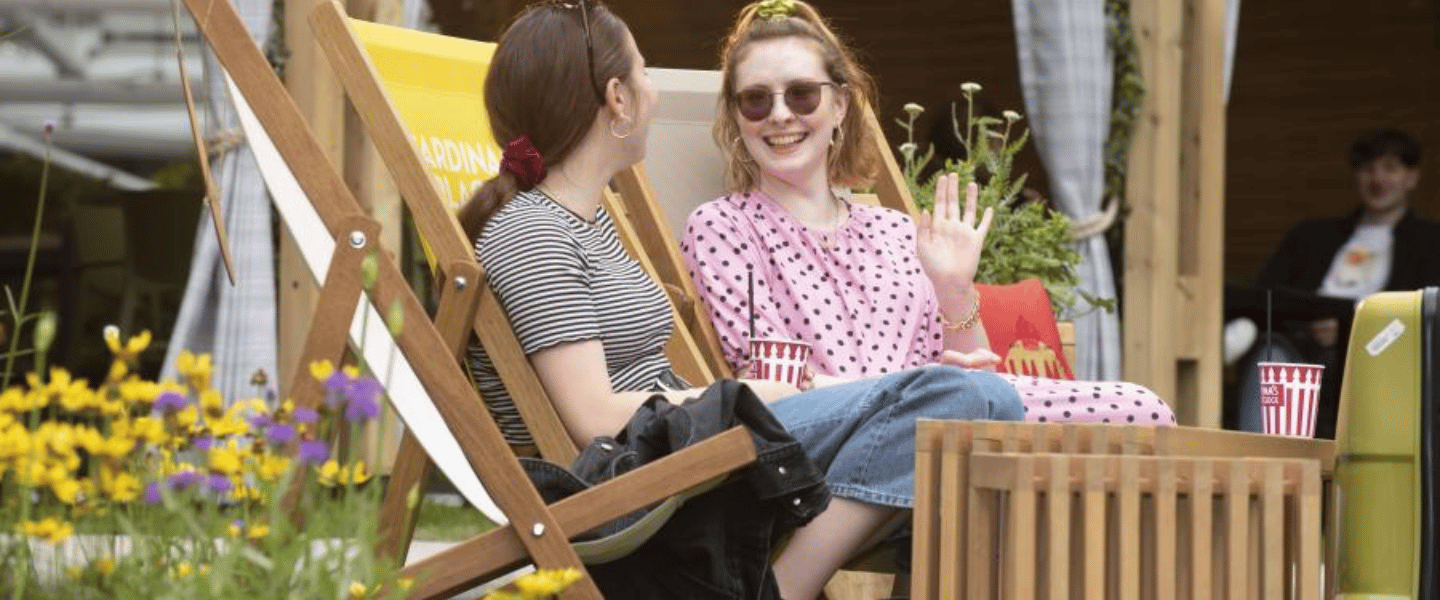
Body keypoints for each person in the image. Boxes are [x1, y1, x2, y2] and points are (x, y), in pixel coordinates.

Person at [456, 3, 1023, 600]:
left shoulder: (586, 222)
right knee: (970, 400)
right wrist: (742, 399)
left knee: (952, 447)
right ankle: (781, 589)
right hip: (660, 464)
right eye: (646, 74)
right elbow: (593, 417)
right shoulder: (532, 233)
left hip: (701, 438)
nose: (655, 92)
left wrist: (818, 390)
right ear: (617, 97)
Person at [680, 0, 1174, 429]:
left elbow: (976, 379)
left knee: (1143, 409)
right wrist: (915, 391)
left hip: (938, 421)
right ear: (736, 117)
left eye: (802, 94)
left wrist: (956, 290)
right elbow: (771, 382)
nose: (780, 115)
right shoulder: (724, 227)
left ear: (840, 106)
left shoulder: (896, 230)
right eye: (756, 100)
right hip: (844, 434)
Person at [1231, 128, 1440, 436]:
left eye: (1390, 168)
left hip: (1381, 352)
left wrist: (1352, 327)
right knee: (1270, 356)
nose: (1377, 179)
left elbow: (1427, 311)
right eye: (1368, 169)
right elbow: (1267, 296)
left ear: (1412, 178)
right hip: (1303, 348)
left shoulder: (1430, 243)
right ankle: (1260, 467)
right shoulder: (1310, 237)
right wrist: (1307, 323)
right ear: (1356, 176)